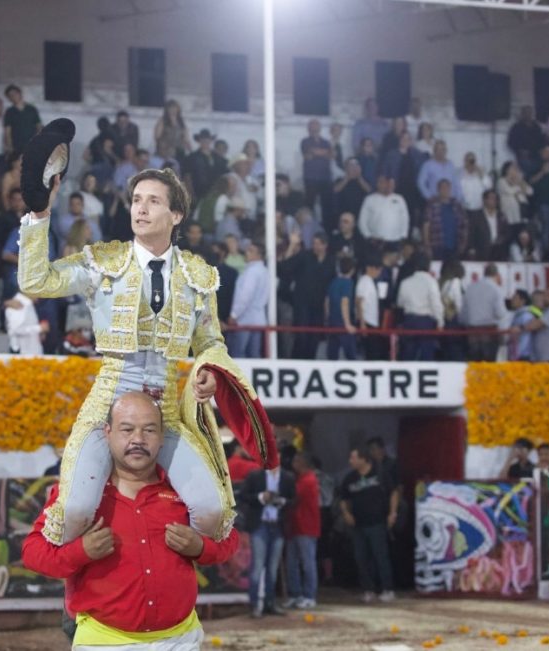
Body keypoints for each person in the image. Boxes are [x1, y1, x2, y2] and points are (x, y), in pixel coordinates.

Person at [18, 163, 275, 548]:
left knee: (211, 512)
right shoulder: (103, 262)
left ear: (176, 215)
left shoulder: (198, 275)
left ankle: (159, 570)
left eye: (153, 201)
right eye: (137, 200)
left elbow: (211, 341)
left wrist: (209, 369)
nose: (140, 208)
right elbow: (36, 280)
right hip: (109, 403)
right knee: (73, 512)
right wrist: (40, 216)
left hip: (164, 409)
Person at [22, 392, 238, 648]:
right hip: (104, 641)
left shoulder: (185, 491)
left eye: (149, 430)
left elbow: (229, 540)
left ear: (162, 437)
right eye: (127, 429)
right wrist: (81, 552)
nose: (138, 439)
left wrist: (200, 547)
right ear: (108, 433)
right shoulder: (80, 495)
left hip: (179, 640)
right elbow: (33, 553)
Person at [339, 448, 396, 603]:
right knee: (361, 558)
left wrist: (392, 512)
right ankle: (368, 590)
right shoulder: (350, 478)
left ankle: (387, 589)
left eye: (353, 458)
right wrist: (346, 513)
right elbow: (343, 498)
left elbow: (394, 492)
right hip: (358, 524)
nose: (350, 461)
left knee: (380, 556)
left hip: (377, 522)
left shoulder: (380, 474)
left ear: (363, 459)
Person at [240, 462, 296, 618]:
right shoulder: (255, 475)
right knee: (257, 566)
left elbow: (294, 500)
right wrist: (261, 497)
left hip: (278, 525)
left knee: (272, 568)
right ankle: (255, 604)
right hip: (260, 525)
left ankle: (269, 603)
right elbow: (243, 496)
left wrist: (282, 501)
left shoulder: (287, 477)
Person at [284, 452, 321, 610]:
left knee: (307, 563)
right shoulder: (299, 479)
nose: (293, 464)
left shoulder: (308, 480)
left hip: (306, 527)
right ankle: (296, 594)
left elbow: (294, 499)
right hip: (294, 527)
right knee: (292, 563)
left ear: (302, 463)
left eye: (296, 461)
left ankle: (309, 596)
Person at [396, 252, 443, 361]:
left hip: (409, 320)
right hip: (425, 322)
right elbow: (436, 304)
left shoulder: (405, 282)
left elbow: (400, 303)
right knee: (426, 355)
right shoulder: (431, 282)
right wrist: (440, 322)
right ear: (428, 265)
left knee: (408, 355)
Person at [227, 242, 269, 358]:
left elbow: (245, 296)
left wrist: (234, 314)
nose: (246, 252)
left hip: (245, 319)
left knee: (239, 354)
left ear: (259, 255)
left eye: (251, 251)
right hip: (258, 319)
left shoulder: (252, 272)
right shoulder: (264, 271)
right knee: (254, 354)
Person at [462, 263, 506, 361]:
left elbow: (464, 313)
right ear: (497, 275)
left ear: (484, 273)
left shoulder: (471, 287)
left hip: (472, 332)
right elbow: (500, 313)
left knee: (474, 362)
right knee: (489, 362)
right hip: (489, 331)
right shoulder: (496, 289)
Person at [423, 179, 468, 261]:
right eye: (442, 188)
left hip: (455, 246)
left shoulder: (457, 205)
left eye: (447, 188)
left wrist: (463, 243)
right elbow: (426, 225)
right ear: (438, 190)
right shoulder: (432, 204)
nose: (445, 190)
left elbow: (464, 225)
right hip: (437, 245)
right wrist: (427, 245)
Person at [324, 256, 358, 360]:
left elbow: (327, 301)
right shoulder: (348, 283)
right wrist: (347, 324)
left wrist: (327, 317)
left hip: (332, 322)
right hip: (343, 323)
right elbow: (345, 302)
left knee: (332, 355)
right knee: (351, 355)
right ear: (352, 270)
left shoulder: (333, 282)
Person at [3, 85, 42, 156]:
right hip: (16, 149)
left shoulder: (32, 109)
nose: (13, 96)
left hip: (32, 147)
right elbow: (7, 132)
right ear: (9, 98)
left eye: (15, 93)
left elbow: (39, 127)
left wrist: (37, 143)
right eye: (10, 95)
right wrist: (9, 147)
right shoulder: (9, 112)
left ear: (20, 93)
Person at [4, 290, 46, 355]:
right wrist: (39, 328)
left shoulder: (28, 304)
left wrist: (40, 332)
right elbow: (16, 329)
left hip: (33, 352)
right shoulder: (17, 304)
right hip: (23, 354)